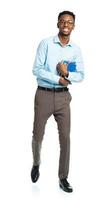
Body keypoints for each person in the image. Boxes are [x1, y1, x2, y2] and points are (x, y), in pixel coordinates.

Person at [31, 10, 84, 193]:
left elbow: (81, 76)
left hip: (63, 98)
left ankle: (63, 177)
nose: (66, 25)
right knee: (38, 135)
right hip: (43, 95)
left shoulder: (75, 50)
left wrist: (67, 73)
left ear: (74, 26)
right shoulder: (45, 44)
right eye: (63, 21)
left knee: (65, 138)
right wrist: (58, 78)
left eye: (70, 22)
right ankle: (36, 163)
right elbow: (36, 69)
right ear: (57, 24)